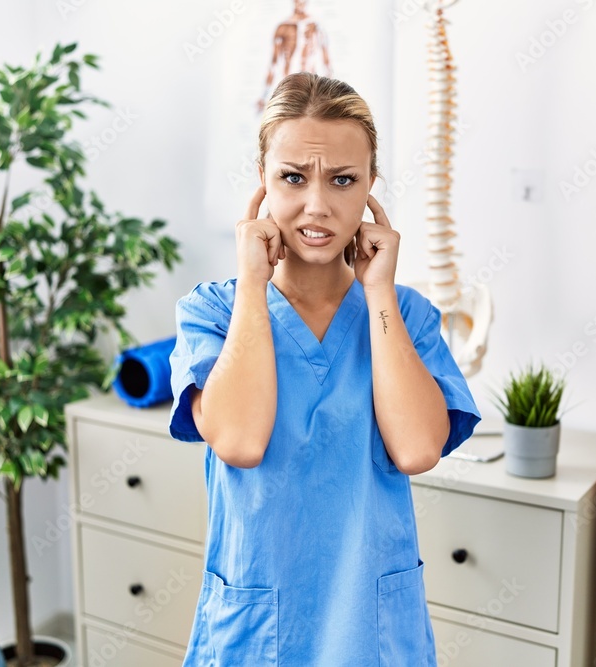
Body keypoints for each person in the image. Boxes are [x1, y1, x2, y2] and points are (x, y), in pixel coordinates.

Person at [169, 72, 480, 666]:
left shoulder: (406, 316)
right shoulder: (211, 311)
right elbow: (238, 440)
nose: (318, 205)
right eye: (293, 177)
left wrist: (380, 291)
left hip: (373, 626)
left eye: (343, 180)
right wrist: (254, 285)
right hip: (258, 626)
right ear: (262, 181)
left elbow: (417, 449)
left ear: (370, 188)